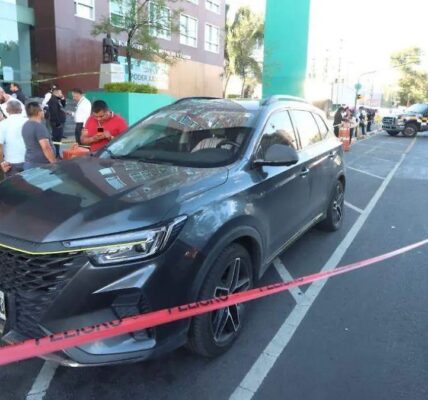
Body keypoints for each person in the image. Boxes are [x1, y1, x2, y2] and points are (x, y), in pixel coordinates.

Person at [21, 102, 56, 170]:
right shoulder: (39, 127)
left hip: (30, 161)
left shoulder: (25, 125)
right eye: (42, 110)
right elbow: (46, 147)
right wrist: (54, 162)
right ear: (38, 112)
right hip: (41, 164)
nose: (44, 112)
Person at [0, 100, 27, 178]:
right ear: (21, 110)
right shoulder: (28, 122)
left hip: (11, 162)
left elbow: (0, 147)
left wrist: (2, 162)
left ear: (7, 110)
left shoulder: (3, 124)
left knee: (13, 185)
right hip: (30, 160)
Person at [47, 88, 66, 158]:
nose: (61, 94)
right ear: (56, 93)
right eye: (60, 93)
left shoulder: (57, 99)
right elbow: (53, 112)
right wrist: (57, 123)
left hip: (60, 122)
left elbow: (63, 105)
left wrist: (63, 98)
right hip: (57, 123)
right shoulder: (53, 100)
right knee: (56, 139)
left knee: (58, 138)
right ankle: (56, 154)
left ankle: (57, 153)